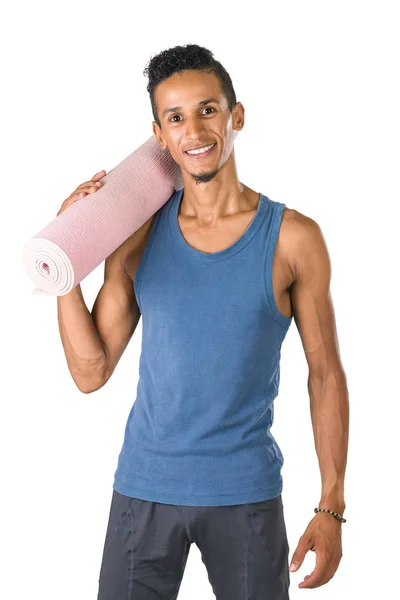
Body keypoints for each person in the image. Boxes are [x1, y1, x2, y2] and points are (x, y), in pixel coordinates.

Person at [57, 44, 349, 599]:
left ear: (236, 115)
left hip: (244, 492)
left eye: (207, 110)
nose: (194, 130)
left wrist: (331, 506)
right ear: (160, 135)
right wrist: (67, 262)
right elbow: (90, 372)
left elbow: (325, 373)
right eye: (176, 117)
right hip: (143, 489)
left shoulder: (293, 239)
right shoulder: (137, 239)